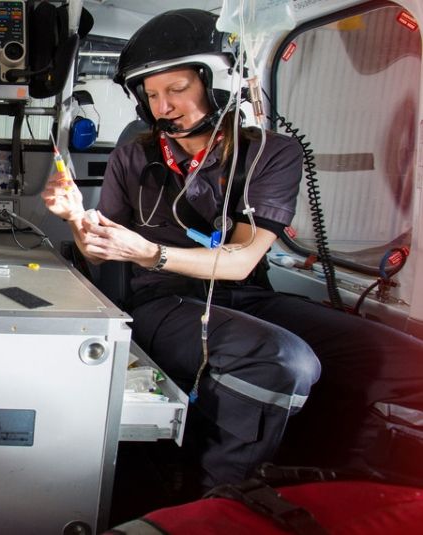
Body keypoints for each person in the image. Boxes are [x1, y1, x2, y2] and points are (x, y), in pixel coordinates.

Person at [44, 9, 423, 489]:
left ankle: (341, 480)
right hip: (163, 300)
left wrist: (149, 250)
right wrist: (78, 219)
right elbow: (100, 253)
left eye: (176, 89)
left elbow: (243, 261)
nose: (164, 105)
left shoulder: (272, 152)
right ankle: (219, 494)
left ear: (217, 81)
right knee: (285, 360)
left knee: (407, 363)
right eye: (153, 94)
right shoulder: (134, 154)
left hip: (246, 293)